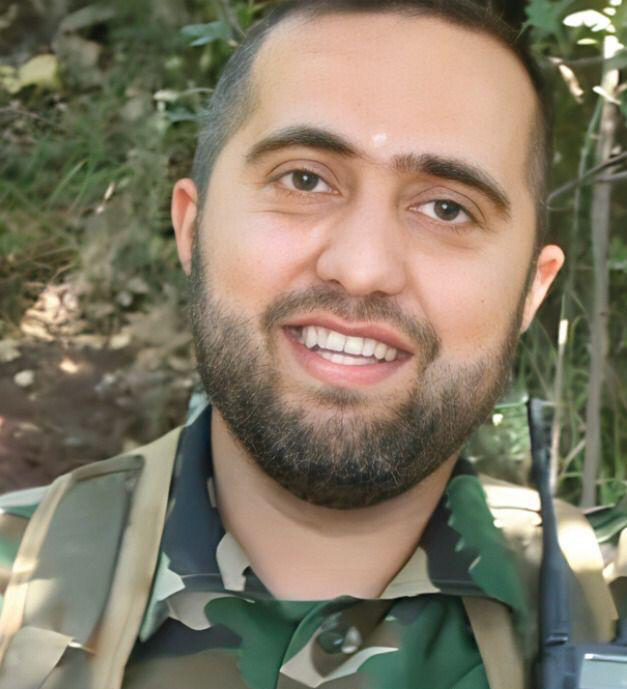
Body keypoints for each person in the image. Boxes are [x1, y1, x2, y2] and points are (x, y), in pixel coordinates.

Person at [0, 2, 623, 689]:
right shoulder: (13, 587)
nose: (361, 268)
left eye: (447, 208)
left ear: (531, 290)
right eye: (304, 179)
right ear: (193, 228)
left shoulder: (605, 603)